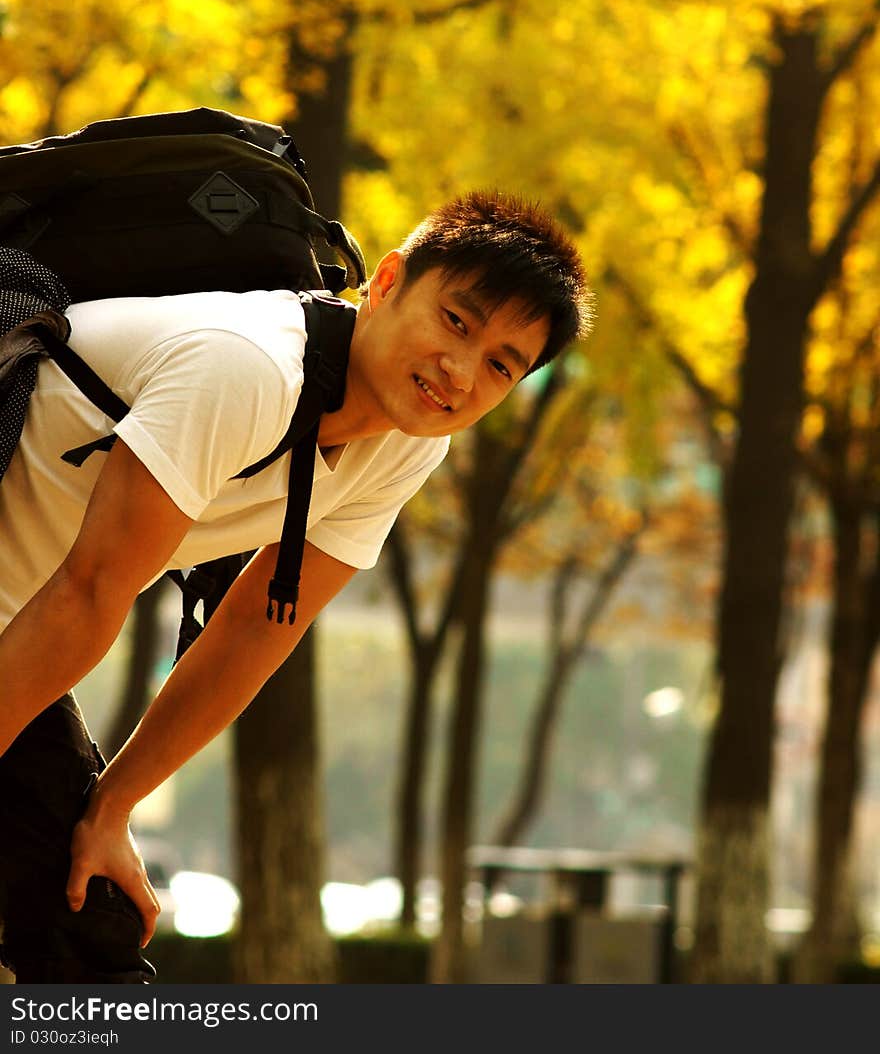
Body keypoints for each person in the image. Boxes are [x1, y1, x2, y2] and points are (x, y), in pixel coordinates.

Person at [0, 190, 594, 983]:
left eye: (499, 365)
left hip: (17, 619)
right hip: (40, 610)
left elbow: (256, 627)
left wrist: (112, 808)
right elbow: (89, 590)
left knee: (90, 926)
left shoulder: (407, 446)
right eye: (456, 321)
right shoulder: (248, 365)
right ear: (386, 284)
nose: (460, 372)